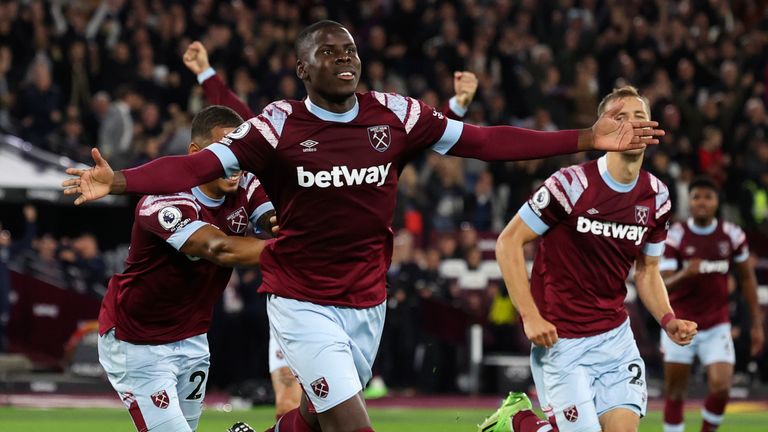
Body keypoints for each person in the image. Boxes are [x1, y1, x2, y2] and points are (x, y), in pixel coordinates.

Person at [64, 21, 664, 432]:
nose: (345, 58)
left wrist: (586, 138)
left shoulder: (395, 115)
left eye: (350, 50)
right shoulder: (276, 127)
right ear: (302, 68)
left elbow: (484, 141)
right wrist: (117, 181)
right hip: (300, 299)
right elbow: (193, 164)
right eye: (329, 52)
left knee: (321, 421)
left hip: (366, 300)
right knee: (351, 424)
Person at [181, 38, 480, 419]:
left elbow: (414, 138)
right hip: (298, 293)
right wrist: (207, 75)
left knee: (315, 415)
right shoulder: (273, 148)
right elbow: (235, 121)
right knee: (290, 398)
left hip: (351, 292)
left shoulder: (367, 130)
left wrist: (455, 109)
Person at [481, 86, 697, 432]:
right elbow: (508, 242)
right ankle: (517, 420)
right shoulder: (571, 184)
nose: (631, 123)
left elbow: (647, 270)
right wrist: (530, 316)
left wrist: (668, 319)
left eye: (639, 116)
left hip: (614, 339)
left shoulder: (657, 196)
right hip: (561, 341)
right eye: (620, 117)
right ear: (603, 127)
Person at [95, 105, 276, 432]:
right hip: (137, 338)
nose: (234, 165)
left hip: (192, 336)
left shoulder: (245, 184)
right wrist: (298, 251)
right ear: (197, 154)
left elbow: (276, 222)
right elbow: (218, 248)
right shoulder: (163, 201)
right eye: (225, 153)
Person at [660, 177, 764, 432]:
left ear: (717, 202)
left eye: (708, 197)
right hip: (680, 324)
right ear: (690, 202)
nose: (702, 202)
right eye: (696, 197)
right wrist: (685, 274)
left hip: (717, 324)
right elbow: (661, 285)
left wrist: (757, 324)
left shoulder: (732, 234)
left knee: (721, 387)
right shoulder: (675, 236)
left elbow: (747, 278)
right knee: (675, 393)